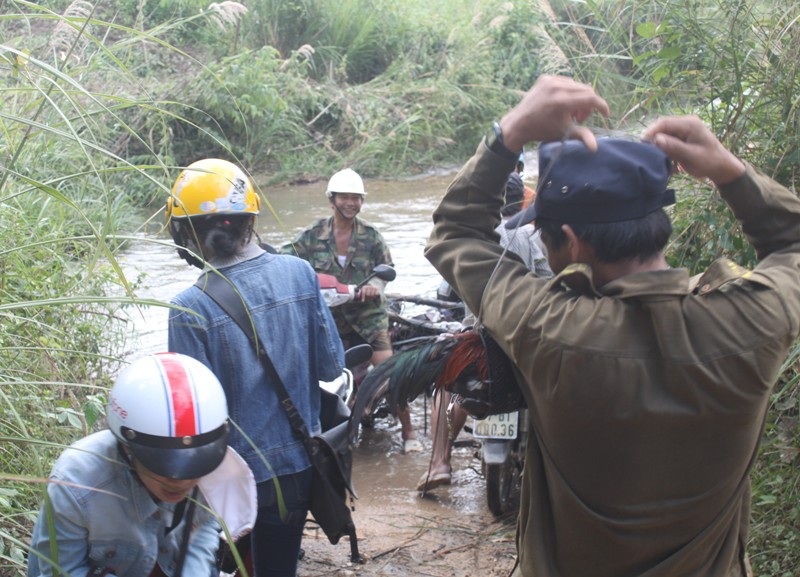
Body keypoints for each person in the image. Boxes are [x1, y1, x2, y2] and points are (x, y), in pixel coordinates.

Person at [424, 74, 800, 576]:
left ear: (573, 243)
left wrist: (509, 131)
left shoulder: (548, 327)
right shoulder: (752, 322)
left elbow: (455, 231)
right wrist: (730, 172)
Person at [165, 158, 345, 577]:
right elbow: (332, 363)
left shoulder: (188, 307)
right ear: (249, 218)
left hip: (228, 477)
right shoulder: (300, 274)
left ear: (187, 235)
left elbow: (192, 417)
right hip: (298, 467)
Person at [28, 352, 232, 577]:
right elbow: (60, 571)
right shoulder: (76, 483)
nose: (182, 481)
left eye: (195, 466)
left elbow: (203, 526)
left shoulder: (213, 461)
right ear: (127, 449)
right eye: (165, 466)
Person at [417, 172, 553, 492]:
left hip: (480, 341)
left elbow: (449, 286)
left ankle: (439, 461)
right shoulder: (534, 236)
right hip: (527, 341)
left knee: (447, 381)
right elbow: (550, 282)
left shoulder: (473, 240)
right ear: (522, 202)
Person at [281, 168, 421, 454]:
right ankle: (312, 433)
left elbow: (387, 270)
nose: (350, 203)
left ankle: (409, 432)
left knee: (388, 370)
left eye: (356, 198)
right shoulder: (311, 236)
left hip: (367, 318)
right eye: (344, 197)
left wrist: (375, 287)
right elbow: (284, 260)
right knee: (305, 373)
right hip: (327, 320)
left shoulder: (371, 236)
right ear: (332, 200)